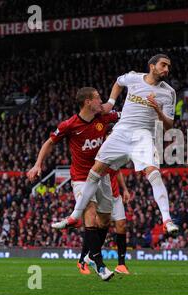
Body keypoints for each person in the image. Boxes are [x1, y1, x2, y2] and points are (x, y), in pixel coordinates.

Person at [52, 54, 179, 236]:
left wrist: (158, 110)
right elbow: (119, 83)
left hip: (143, 137)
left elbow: (169, 126)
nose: (166, 69)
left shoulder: (169, 92)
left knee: (154, 174)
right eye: (163, 65)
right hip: (120, 132)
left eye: (168, 66)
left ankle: (167, 220)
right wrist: (111, 103)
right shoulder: (134, 78)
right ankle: (75, 216)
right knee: (95, 171)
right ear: (152, 66)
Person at [28, 87, 119, 281]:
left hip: (102, 175)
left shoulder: (104, 118)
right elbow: (49, 143)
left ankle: (90, 255)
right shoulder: (70, 124)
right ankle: (98, 262)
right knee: (90, 213)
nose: (101, 102)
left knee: (105, 219)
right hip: (81, 178)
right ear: (88, 102)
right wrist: (38, 164)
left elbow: (126, 116)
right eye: (97, 99)